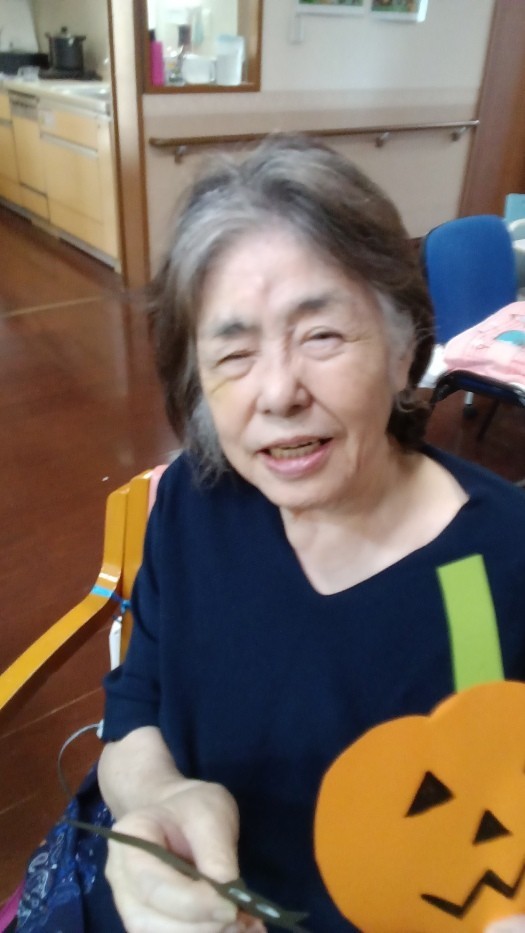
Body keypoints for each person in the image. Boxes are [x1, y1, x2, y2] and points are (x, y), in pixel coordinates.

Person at [81, 136, 525, 931]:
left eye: (320, 335)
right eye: (233, 352)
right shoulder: (194, 503)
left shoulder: (496, 562)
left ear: (403, 348)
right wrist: (160, 800)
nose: (278, 391)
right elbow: (135, 710)